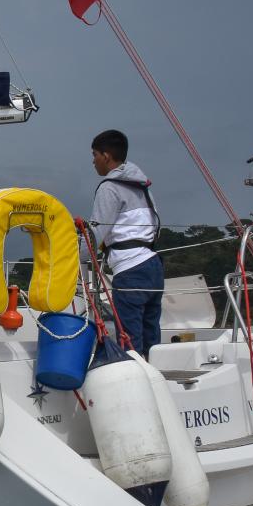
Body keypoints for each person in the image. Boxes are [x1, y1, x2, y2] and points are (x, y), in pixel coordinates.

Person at [87, 129, 163, 355]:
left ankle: (135, 375)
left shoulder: (109, 188)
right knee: (152, 338)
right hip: (154, 266)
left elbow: (96, 234)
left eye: (94, 155)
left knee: (129, 342)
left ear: (106, 156)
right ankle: (154, 373)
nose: (93, 161)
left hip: (130, 269)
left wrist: (71, 258)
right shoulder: (142, 186)